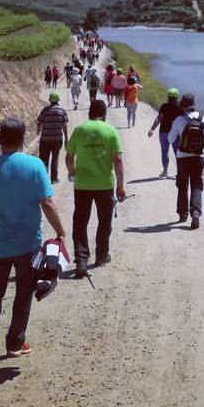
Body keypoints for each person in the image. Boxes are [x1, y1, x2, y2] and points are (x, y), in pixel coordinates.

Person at [0, 118, 68, 376]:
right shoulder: (34, 165)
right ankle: (15, 342)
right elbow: (46, 202)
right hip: (28, 244)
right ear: (23, 139)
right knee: (24, 293)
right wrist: (59, 231)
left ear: (0, 139)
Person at [65, 99, 125, 277]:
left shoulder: (80, 130)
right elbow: (118, 161)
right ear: (104, 114)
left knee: (80, 221)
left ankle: (81, 259)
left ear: (89, 112)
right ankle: (101, 255)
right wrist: (120, 187)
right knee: (104, 221)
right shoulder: (111, 131)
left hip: (82, 185)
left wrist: (72, 172)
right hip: (104, 185)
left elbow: (69, 156)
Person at [169, 94, 204, 230]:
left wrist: (180, 138)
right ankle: (195, 213)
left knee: (182, 184)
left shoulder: (179, 119)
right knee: (196, 184)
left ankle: (183, 213)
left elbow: (170, 139)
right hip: (199, 156)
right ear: (194, 104)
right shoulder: (202, 118)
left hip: (183, 157)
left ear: (183, 105)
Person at [147, 88, 182, 178]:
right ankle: (179, 173)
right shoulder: (180, 107)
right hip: (175, 134)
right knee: (177, 153)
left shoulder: (164, 106)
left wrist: (152, 129)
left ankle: (165, 171)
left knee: (164, 152)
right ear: (177, 97)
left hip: (164, 133)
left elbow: (159, 118)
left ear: (168, 97)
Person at [37, 92, 69, 183]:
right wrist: (66, 138)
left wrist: (38, 132)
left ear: (50, 100)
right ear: (58, 100)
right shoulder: (62, 111)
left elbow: (39, 122)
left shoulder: (45, 111)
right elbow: (65, 126)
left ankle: (43, 178)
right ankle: (54, 178)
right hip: (57, 139)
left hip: (45, 139)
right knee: (55, 158)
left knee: (44, 159)